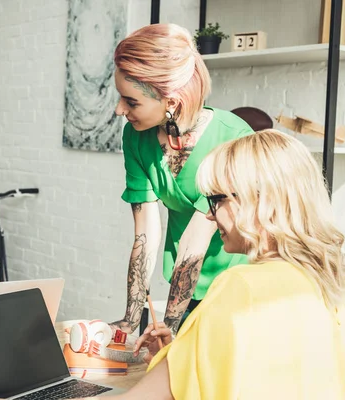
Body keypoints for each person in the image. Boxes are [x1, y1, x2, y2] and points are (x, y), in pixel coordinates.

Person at [0, 129, 345, 399]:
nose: (211, 215)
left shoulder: (242, 288)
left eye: (216, 200)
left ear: (256, 201)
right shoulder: (336, 284)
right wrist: (180, 357)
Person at [108, 23, 254, 337]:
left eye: (131, 102)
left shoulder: (232, 138)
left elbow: (197, 238)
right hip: (182, 286)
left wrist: (170, 328)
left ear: (171, 102)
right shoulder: (136, 138)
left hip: (235, 287)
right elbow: (145, 234)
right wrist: (130, 320)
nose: (119, 110)